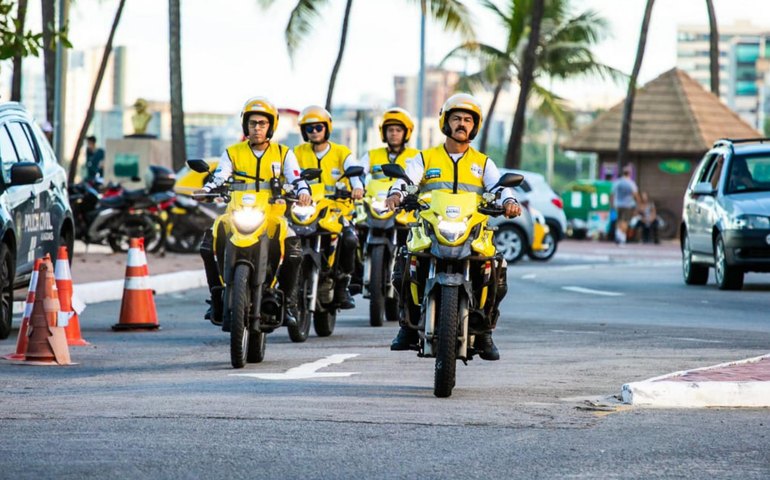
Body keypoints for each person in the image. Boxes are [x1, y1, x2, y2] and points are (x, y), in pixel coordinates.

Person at [384, 93, 522, 361]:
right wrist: (397, 194)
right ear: (445, 123)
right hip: (431, 226)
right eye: (456, 118)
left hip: (472, 229)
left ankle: (484, 332)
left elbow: (500, 187)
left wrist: (510, 201)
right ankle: (407, 327)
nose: (462, 124)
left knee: (496, 268)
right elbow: (405, 179)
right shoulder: (426, 158)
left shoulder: (483, 163)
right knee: (405, 261)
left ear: (475, 126)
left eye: (468, 120)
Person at [197, 97, 312, 327]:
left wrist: (303, 191)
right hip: (237, 213)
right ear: (245, 126)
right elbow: (220, 175)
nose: (257, 128)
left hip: (272, 218)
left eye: (262, 123)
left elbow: (296, 178)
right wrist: (207, 188)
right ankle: (216, 296)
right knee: (208, 245)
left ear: (270, 126)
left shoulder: (283, 153)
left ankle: (288, 303)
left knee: (294, 251)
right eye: (252, 123)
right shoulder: (233, 152)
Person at [293, 105, 363, 309]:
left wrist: (357, 187)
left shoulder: (342, 152)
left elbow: (355, 173)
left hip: (336, 210)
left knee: (350, 239)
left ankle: (342, 284)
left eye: (318, 127)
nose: (314, 132)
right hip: (305, 209)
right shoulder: (296, 153)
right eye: (309, 128)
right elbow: (286, 174)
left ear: (327, 128)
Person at [610, 165, 640, 245]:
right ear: (629, 173)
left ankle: (618, 235)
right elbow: (635, 195)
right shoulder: (631, 183)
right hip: (628, 205)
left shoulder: (617, 182)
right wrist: (638, 204)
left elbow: (612, 194)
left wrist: (611, 204)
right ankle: (622, 237)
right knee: (625, 221)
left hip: (618, 204)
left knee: (619, 220)